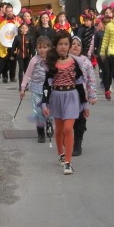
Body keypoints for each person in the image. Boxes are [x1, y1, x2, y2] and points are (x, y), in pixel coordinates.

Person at [42, 31, 89, 175]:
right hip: (56, 96)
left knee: (69, 128)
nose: (63, 47)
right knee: (60, 129)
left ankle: (68, 163)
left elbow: (80, 84)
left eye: (66, 44)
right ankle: (60, 153)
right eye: (61, 44)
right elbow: (46, 85)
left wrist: (85, 104)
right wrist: (44, 103)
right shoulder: (51, 64)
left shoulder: (75, 63)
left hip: (72, 96)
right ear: (55, 46)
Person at [20, 36, 52, 142]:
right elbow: (28, 75)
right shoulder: (34, 60)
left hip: (49, 90)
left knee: (48, 110)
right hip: (36, 90)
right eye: (40, 47)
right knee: (38, 112)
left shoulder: (52, 60)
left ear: (49, 48)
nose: (42, 49)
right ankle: (40, 132)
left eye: (45, 47)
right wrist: (23, 88)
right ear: (37, 49)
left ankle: (49, 124)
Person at [68, 35, 96, 155]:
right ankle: (67, 139)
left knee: (80, 119)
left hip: (80, 95)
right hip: (66, 94)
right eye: (73, 44)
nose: (75, 46)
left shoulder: (85, 61)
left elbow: (91, 79)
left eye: (78, 45)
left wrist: (92, 95)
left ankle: (78, 142)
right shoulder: (63, 59)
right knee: (67, 119)